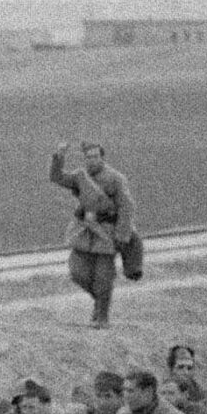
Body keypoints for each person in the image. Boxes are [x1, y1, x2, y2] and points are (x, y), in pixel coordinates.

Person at [48, 139, 137, 326]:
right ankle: (98, 301)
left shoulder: (115, 179)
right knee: (77, 272)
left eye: (95, 156)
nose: (92, 160)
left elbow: (126, 207)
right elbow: (57, 178)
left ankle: (102, 318)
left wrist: (121, 236)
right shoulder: (80, 177)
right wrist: (59, 157)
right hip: (84, 232)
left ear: (102, 157)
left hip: (106, 234)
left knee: (104, 278)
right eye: (88, 157)